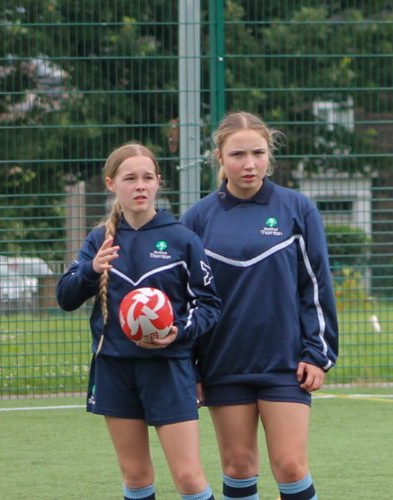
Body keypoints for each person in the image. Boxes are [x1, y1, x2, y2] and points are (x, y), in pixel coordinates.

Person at [181, 112, 339, 500]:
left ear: (269, 155)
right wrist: (191, 368)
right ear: (219, 156)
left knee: (290, 465)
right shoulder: (197, 219)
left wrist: (317, 353)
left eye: (258, 153)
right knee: (238, 466)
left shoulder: (297, 209)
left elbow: (316, 286)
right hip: (222, 363)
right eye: (238, 154)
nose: (249, 163)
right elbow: (188, 300)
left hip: (285, 363)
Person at [56, 142, 221, 500]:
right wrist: (91, 269)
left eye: (147, 177)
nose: (140, 186)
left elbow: (209, 305)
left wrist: (179, 331)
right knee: (135, 475)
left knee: (188, 477)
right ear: (111, 183)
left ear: (159, 181)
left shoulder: (181, 239)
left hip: (168, 367)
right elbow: (65, 298)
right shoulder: (99, 241)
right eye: (130, 178)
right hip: (115, 367)